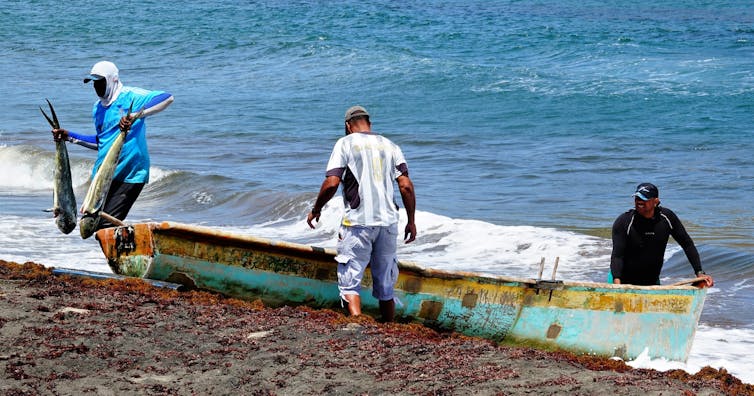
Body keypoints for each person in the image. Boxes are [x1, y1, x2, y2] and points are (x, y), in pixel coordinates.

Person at [307, 105, 417, 322]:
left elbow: (331, 183)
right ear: (370, 123)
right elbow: (406, 186)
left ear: (348, 126)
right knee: (386, 280)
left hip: (357, 222)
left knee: (350, 278)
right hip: (388, 223)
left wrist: (316, 209)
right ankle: (388, 325)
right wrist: (411, 221)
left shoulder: (345, 143)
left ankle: (358, 322)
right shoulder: (390, 145)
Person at [51, 60, 174, 229]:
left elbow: (167, 97)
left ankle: (127, 249)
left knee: (105, 226)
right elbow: (102, 143)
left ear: (113, 80)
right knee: (90, 225)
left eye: (100, 82)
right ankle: (121, 250)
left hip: (130, 174)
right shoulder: (98, 109)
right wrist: (70, 136)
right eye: (94, 83)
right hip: (103, 176)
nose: (96, 87)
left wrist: (135, 116)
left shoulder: (131, 96)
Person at [610, 182, 713, 287]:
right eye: (637, 198)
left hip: (651, 283)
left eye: (644, 198)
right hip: (622, 280)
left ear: (656, 201)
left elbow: (687, 244)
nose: (640, 201)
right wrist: (617, 286)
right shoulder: (624, 221)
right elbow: (617, 256)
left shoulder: (667, 218)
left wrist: (699, 273)